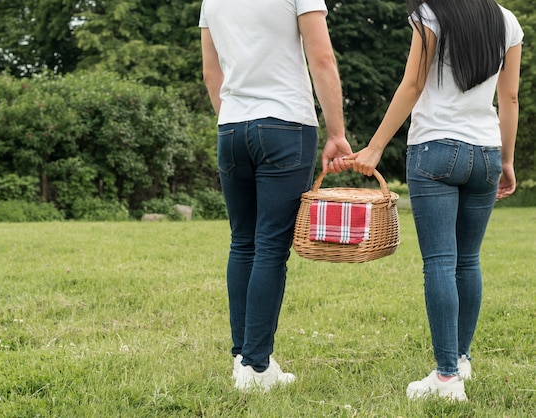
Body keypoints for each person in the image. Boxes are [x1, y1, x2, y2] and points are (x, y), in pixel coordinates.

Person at [348, 0, 523, 401]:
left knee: (442, 262)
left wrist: (375, 148)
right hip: (486, 152)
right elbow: (509, 99)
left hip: (435, 150)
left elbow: (413, 84)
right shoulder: (507, 21)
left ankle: (446, 380)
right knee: (468, 260)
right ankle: (460, 360)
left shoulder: (431, 13)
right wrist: (507, 160)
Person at [199, 0, 352, 392]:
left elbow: (211, 72)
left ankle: (244, 358)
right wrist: (336, 133)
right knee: (269, 247)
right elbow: (322, 57)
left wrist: (230, 115)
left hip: (231, 129)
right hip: (285, 126)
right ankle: (256, 366)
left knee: (243, 243)